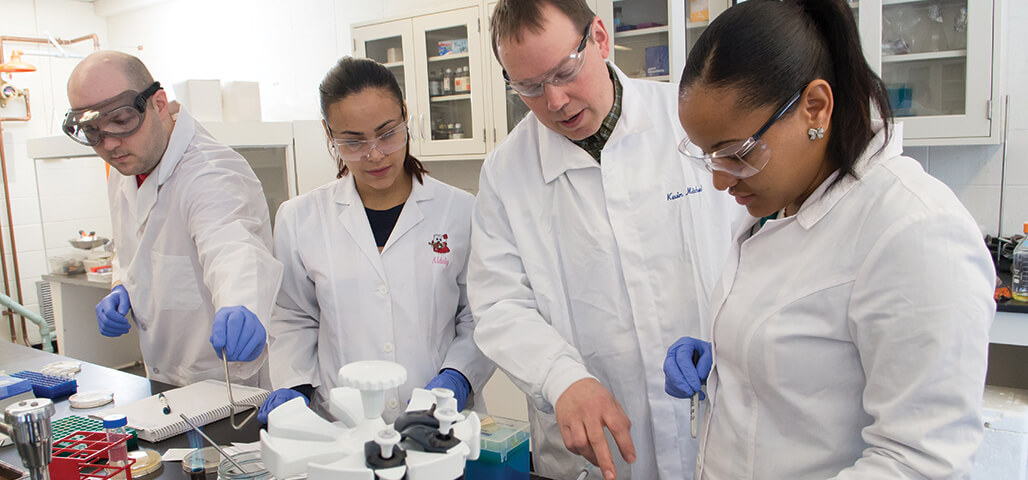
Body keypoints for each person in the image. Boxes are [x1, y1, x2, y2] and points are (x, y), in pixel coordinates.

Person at [663, 1, 995, 478]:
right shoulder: (783, 200)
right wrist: (732, 358)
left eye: (735, 153)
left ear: (814, 107)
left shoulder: (915, 229)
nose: (720, 181)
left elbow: (920, 462)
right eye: (709, 157)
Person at [468, 1, 744, 479]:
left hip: (719, 415)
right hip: (593, 448)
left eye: (563, 72)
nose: (553, 101)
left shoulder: (689, 122)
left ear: (599, 38)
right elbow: (499, 304)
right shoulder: (506, 173)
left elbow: (758, 237)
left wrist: (739, 340)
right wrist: (563, 378)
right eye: (529, 87)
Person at [258, 57, 494, 424]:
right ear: (329, 134)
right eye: (353, 142)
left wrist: (458, 376)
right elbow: (293, 318)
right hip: (343, 425)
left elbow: (480, 314)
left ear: (405, 115)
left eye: (387, 133)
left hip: (442, 421)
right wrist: (296, 384)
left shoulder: (460, 210)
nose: (375, 154)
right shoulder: (300, 218)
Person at [66, 51, 282, 387]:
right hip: (163, 378)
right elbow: (129, 249)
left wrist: (242, 303)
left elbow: (232, 247)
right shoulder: (125, 169)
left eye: (121, 122)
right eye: (93, 131)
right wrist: (120, 285)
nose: (109, 144)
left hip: (226, 387)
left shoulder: (210, 173)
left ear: (159, 103)